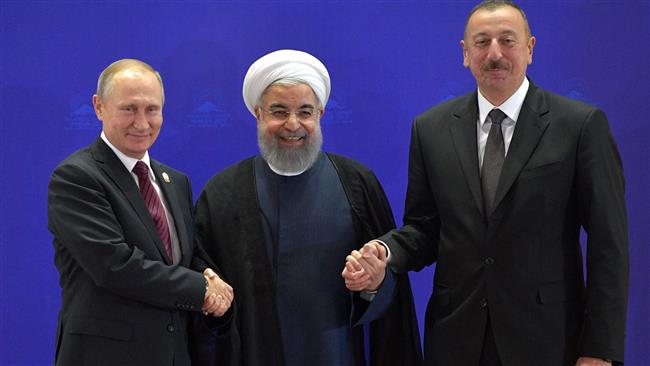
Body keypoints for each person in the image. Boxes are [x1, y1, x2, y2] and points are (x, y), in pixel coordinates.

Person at [343, 1, 629, 365]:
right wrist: (385, 254)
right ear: (465, 53)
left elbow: (609, 246)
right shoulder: (430, 129)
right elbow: (425, 230)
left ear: (530, 48)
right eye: (482, 42)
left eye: (507, 40)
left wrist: (599, 350)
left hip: (549, 340)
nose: (494, 53)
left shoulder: (580, 125)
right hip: (456, 340)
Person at [191, 49, 422, 366]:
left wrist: (373, 282)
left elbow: (386, 288)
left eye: (305, 112)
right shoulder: (222, 193)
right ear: (258, 114)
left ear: (321, 114)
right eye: (279, 112)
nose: (292, 124)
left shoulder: (357, 183)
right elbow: (201, 283)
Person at [48, 58, 233, 366]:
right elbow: (114, 266)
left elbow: (184, 257)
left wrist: (209, 276)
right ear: (98, 107)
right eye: (128, 109)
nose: (142, 122)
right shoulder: (76, 177)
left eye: (152, 109)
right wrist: (201, 288)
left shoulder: (176, 182)